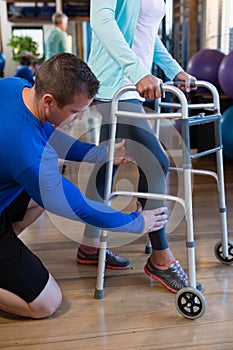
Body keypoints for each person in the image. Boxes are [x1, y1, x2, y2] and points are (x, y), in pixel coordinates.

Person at [0, 52, 168, 319]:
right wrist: (137, 222)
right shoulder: (25, 153)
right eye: (75, 112)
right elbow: (76, 206)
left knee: (38, 198)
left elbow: (48, 135)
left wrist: (101, 154)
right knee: (46, 303)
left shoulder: (13, 87)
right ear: (49, 101)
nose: (79, 119)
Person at [76, 0, 200, 294]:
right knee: (155, 160)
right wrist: (136, 71)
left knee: (108, 164)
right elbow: (102, 20)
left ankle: (90, 246)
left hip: (135, 82)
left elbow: (146, 33)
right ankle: (160, 257)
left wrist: (174, 69)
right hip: (116, 83)